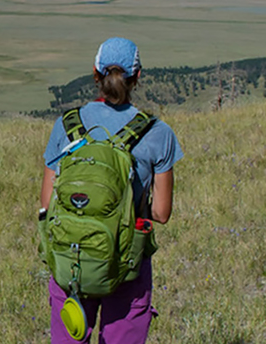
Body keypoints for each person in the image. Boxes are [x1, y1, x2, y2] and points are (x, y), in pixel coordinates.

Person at [40, 37, 184, 344]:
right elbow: (160, 213)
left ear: (94, 74)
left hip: (71, 261)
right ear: (137, 77)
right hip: (126, 264)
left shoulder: (65, 125)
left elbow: (46, 202)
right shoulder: (158, 133)